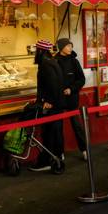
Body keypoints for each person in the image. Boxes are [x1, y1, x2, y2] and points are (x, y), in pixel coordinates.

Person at [28, 39, 65, 173]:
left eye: (36, 50)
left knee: (49, 133)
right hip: (57, 104)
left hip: (52, 105)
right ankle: (56, 157)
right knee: (55, 132)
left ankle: (48, 160)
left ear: (40, 50)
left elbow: (52, 84)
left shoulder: (45, 64)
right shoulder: (52, 61)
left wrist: (47, 100)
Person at [54, 38, 87, 160]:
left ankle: (84, 150)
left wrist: (71, 89)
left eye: (71, 46)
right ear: (61, 47)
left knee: (77, 126)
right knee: (58, 128)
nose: (70, 48)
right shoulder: (54, 61)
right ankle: (59, 153)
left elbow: (81, 79)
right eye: (68, 46)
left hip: (72, 99)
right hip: (58, 100)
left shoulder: (74, 62)